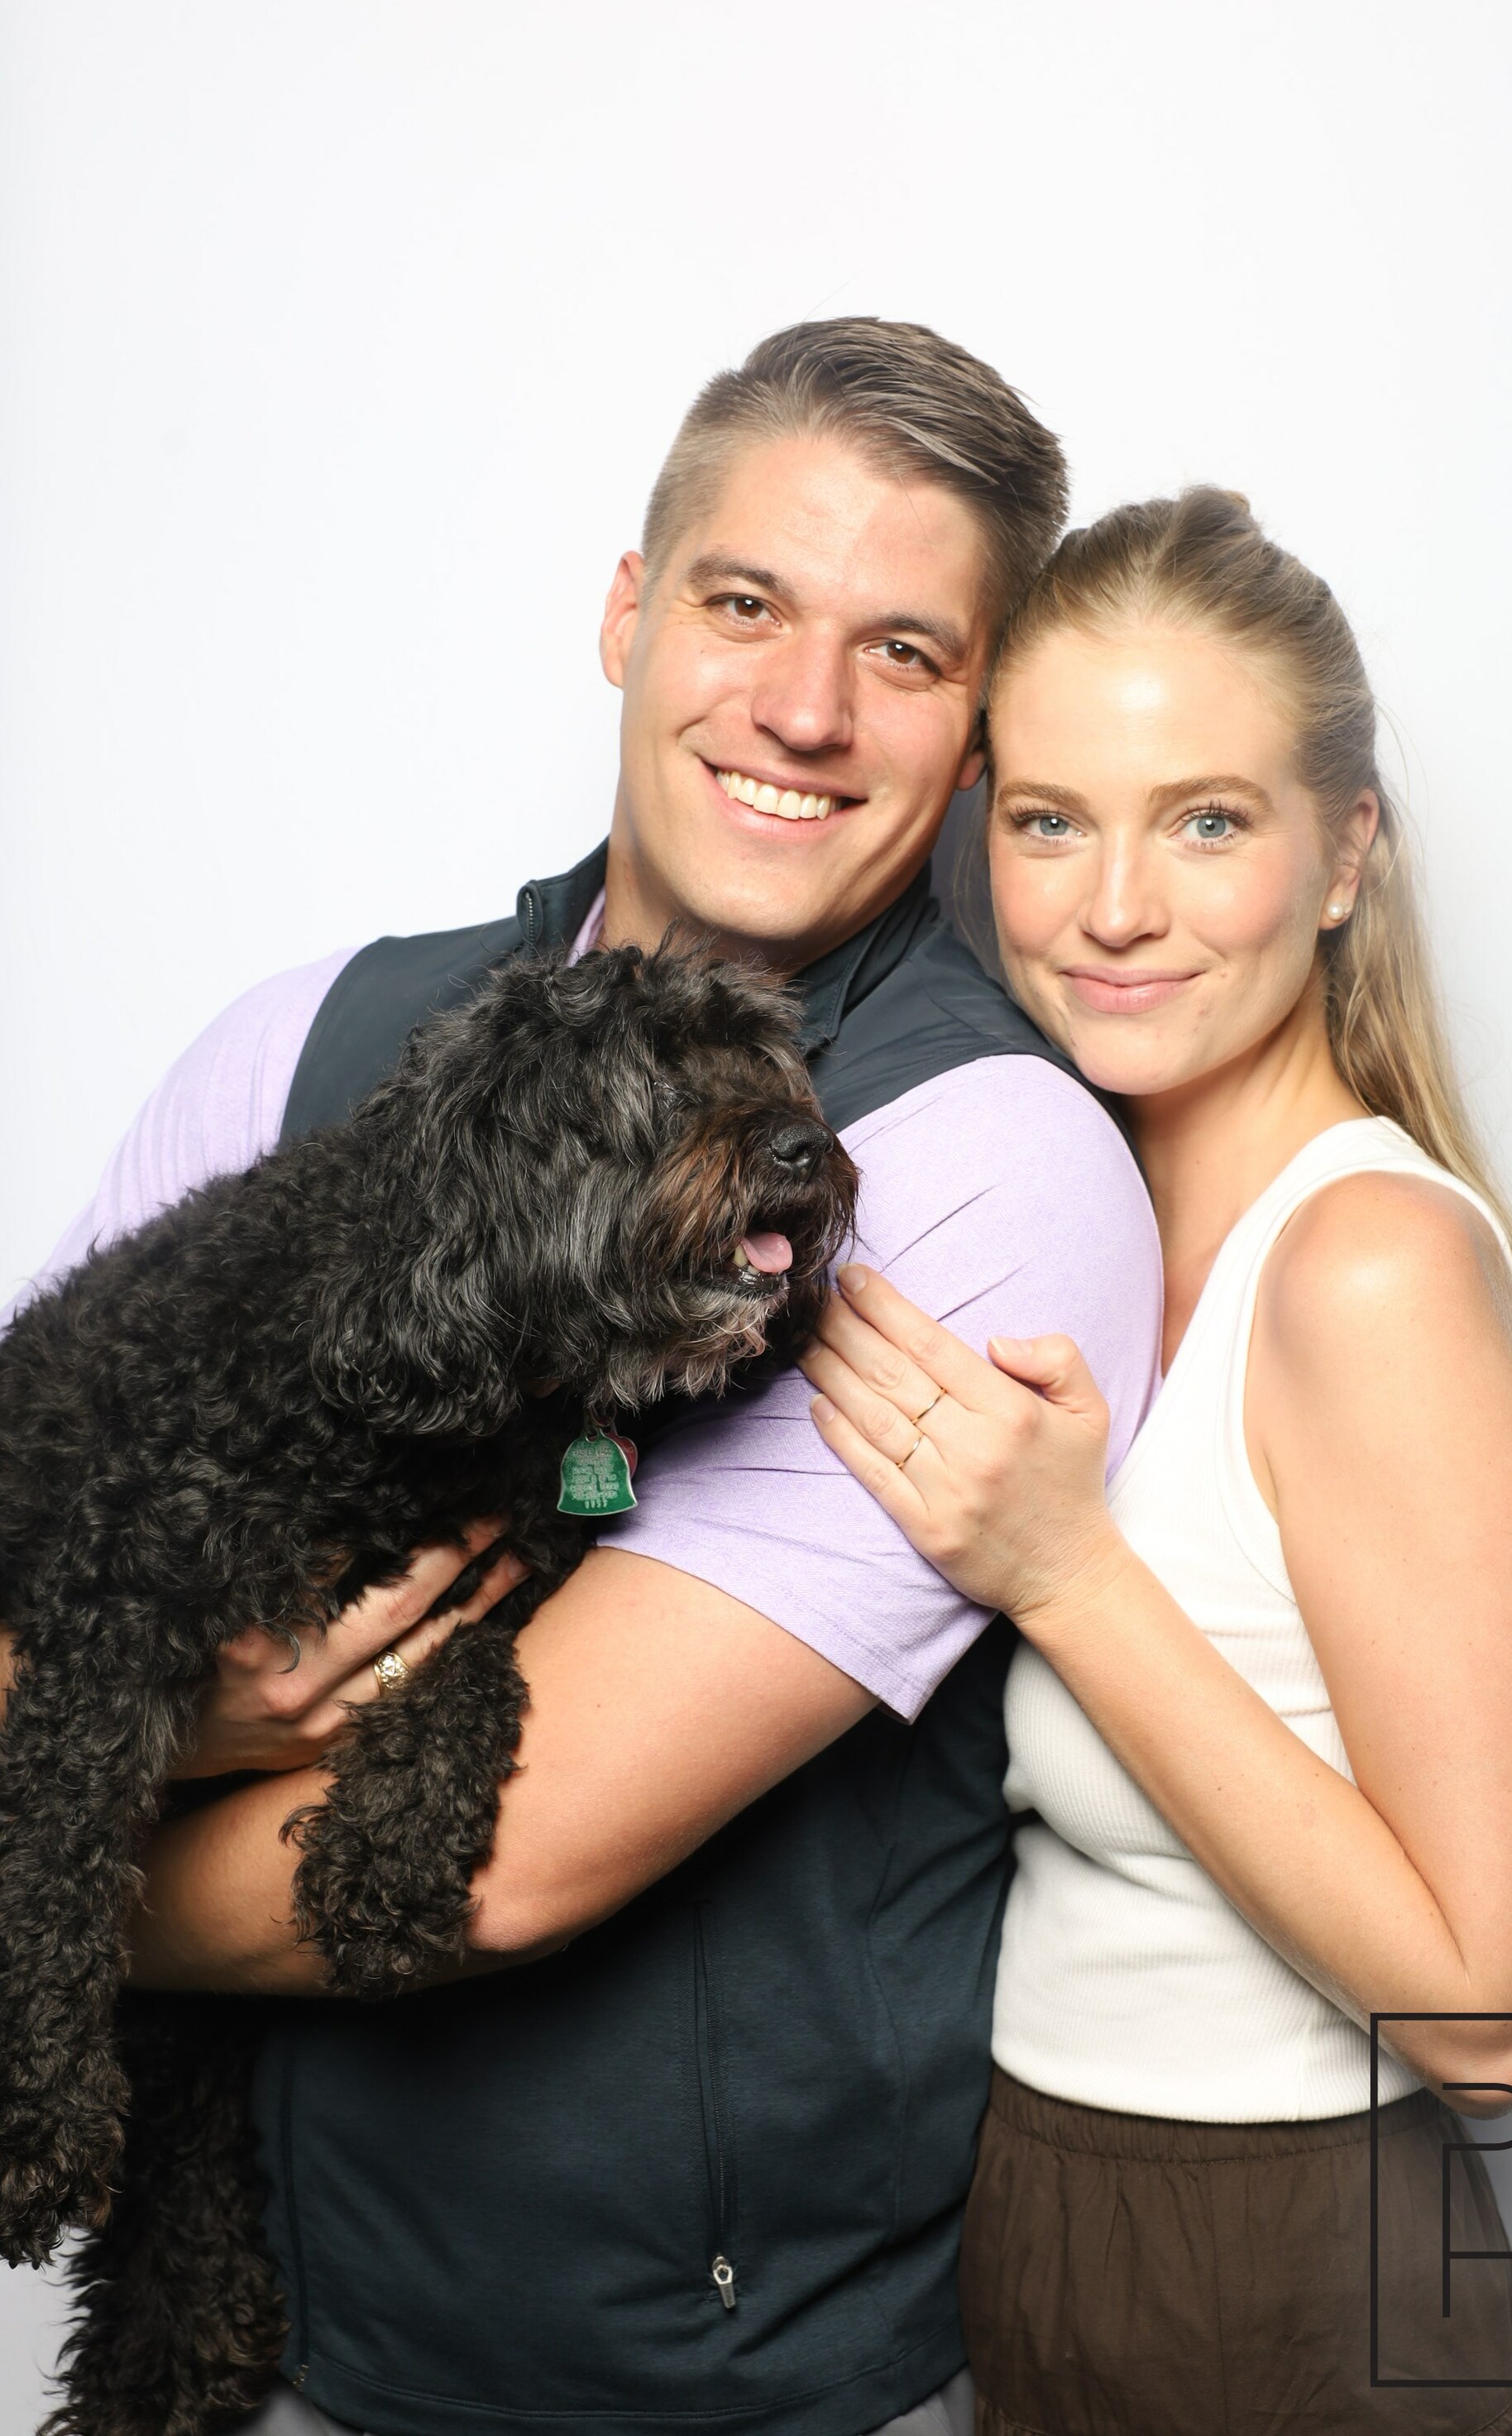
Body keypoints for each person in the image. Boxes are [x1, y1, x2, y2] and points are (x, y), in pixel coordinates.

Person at [2, 323, 1162, 2436]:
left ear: (979, 730)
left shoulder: (977, 1163)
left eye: (904, 654)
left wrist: (52, 1889)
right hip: (255, 2338)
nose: (803, 710)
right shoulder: (306, 1042)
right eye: (745, 603)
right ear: (629, 613)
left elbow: (508, 1854)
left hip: (693, 2383)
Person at [801, 487, 1512, 2434]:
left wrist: (1067, 1574)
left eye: (1204, 821)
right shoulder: (1060, 1223)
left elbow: (1496, 2021)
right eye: (1048, 822)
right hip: (1045, 2232)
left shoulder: (1366, 1265)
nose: (1113, 907)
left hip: (1297, 2263)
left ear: (1342, 854)